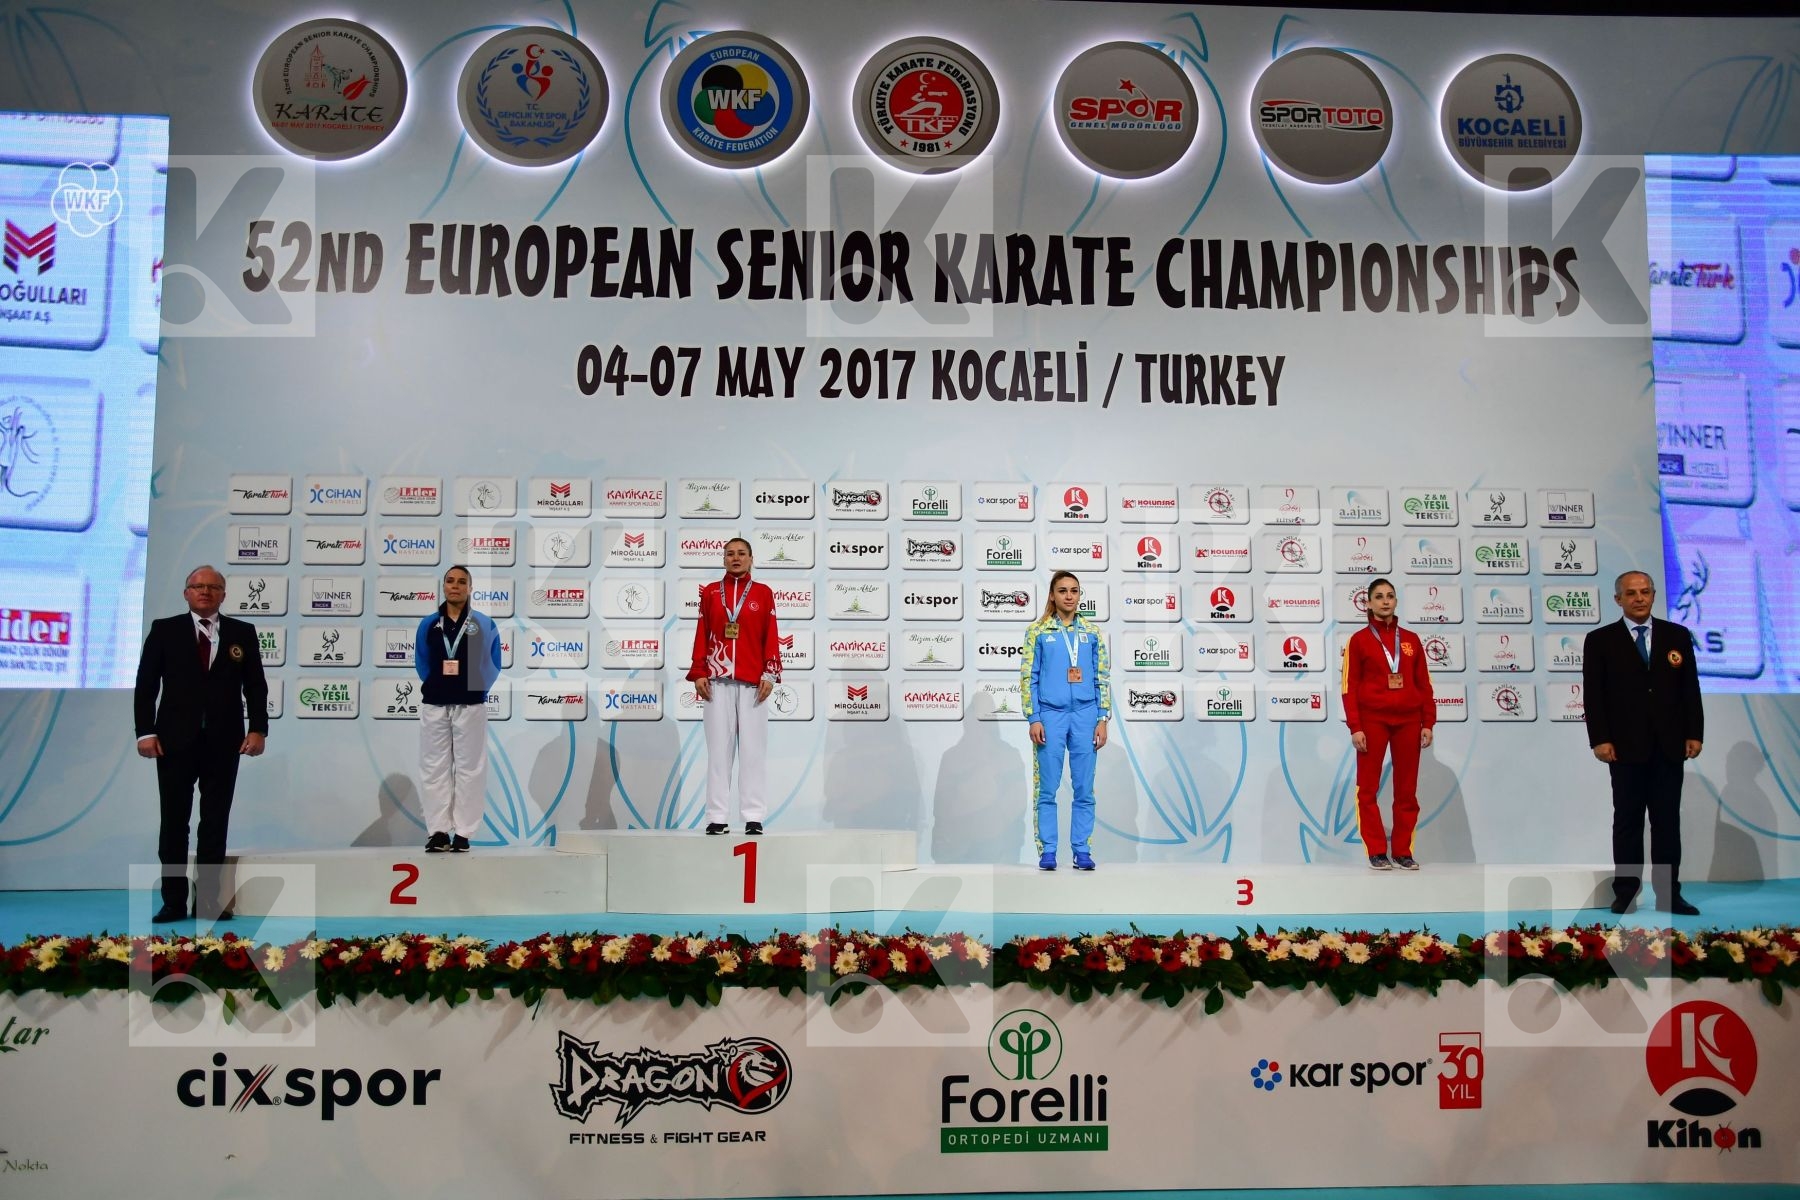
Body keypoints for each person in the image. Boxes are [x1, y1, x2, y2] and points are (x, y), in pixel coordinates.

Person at [134, 565, 268, 922]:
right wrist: (145, 732)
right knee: (174, 822)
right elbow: (146, 686)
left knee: (214, 821)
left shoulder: (243, 632)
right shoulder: (165, 631)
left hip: (225, 743)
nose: (205, 592)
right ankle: (174, 901)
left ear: (223, 594)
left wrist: (258, 729)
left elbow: (255, 686)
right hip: (173, 741)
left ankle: (208, 900)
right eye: (198, 586)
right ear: (186, 592)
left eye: (213, 587)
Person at [1583, 570, 1703, 915]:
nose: (1639, 598)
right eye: (1631, 593)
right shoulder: (1600, 640)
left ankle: (1669, 894)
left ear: (1653, 595)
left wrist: (1694, 732)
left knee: (1667, 822)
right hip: (1624, 746)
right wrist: (1600, 739)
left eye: (1646, 592)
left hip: (1669, 745)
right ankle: (1626, 892)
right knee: (1628, 822)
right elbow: (1595, 696)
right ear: (1618, 599)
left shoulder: (1677, 635)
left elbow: (1689, 690)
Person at [686, 537, 782, 836]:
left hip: (754, 683)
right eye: (730, 554)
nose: (735, 558)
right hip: (716, 681)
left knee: (753, 751)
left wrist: (770, 674)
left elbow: (771, 635)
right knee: (718, 752)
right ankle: (717, 816)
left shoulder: (764, 594)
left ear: (751, 559)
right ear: (723, 559)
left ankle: (753, 816)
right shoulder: (712, 593)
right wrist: (699, 670)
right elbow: (702, 632)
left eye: (742, 554)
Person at [1340, 577, 1435, 871]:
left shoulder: (1410, 640)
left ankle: (1403, 851)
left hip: (1408, 720)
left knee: (1406, 790)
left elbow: (1424, 684)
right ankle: (1377, 850)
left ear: (1395, 602)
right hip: (1372, 721)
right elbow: (1349, 687)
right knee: (1367, 789)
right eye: (1378, 596)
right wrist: (1355, 726)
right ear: (1368, 603)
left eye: (1390, 596)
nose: (1385, 601)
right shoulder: (1358, 641)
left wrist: (1427, 721)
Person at [1021, 570, 1110, 871]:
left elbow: (1101, 677)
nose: (1069, 596)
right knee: (1047, 788)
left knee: (1084, 787)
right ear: (1052, 595)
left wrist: (1103, 718)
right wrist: (1034, 717)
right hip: (1051, 715)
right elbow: (1028, 678)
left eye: (1074, 590)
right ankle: (1048, 850)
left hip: (1085, 716)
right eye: (1062, 591)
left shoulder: (1093, 632)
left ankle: (1081, 849)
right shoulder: (1038, 632)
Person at [414, 564, 503, 852]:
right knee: (434, 768)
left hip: (471, 704)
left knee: (470, 769)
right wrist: (439, 685)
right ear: (443, 587)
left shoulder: (484, 624)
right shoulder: (428, 624)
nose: (455, 586)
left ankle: (464, 833)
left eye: (461, 581)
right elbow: (422, 662)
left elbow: (493, 664)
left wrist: (476, 688)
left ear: (469, 588)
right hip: (435, 703)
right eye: (450, 581)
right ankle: (438, 832)